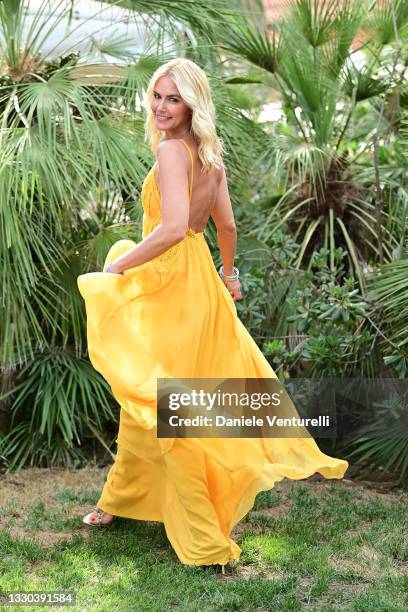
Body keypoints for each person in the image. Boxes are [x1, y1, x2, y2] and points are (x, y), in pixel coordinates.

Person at [77, 58, 349, 570]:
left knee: (167, 403)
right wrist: (229, 277)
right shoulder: (210, 155)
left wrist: (119, 264)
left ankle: (204, 539)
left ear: (192, 104)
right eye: (157, 96)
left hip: (169, 281)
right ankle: (115, 501)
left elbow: (175, 227)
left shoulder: (173, 152)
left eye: (173, 98)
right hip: (199, 282)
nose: (161, 107)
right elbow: (226, 226)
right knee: (151, 396)